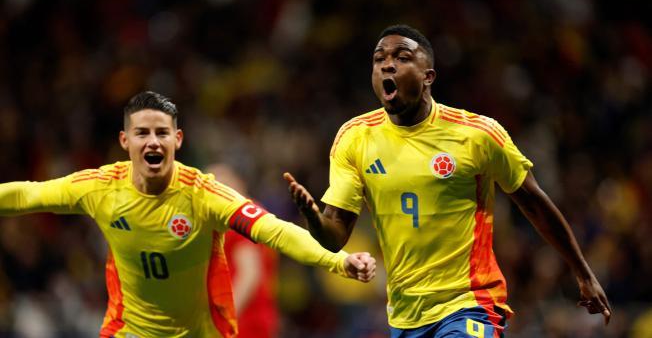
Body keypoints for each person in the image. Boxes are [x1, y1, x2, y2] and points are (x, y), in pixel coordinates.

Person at [284, 24, 611, 337]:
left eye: (402, 57)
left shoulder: (477, 135)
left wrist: (582, 273)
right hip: (405, 313)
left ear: (428, 77)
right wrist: (313, 217)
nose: (387, 65)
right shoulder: (354, 139)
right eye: (379, 58)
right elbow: (335, 236)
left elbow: (535, 204)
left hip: (470, 302)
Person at [0, 91, 376, 338]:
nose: (153, 141)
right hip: (129, 331)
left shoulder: (204, 195)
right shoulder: (100, 188)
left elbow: (273, 231)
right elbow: (27, 194)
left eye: (162, 133)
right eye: (142, 132)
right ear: (124, 141)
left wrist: (339, 261)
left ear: (177, 140)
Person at [205, 163, 279, 338]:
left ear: (239, 184)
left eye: (222, 184)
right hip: (254, 317)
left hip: (244, 322)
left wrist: (225, 318)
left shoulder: (241, 219)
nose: (215, 192)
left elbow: (250, 273)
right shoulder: (255, 215)